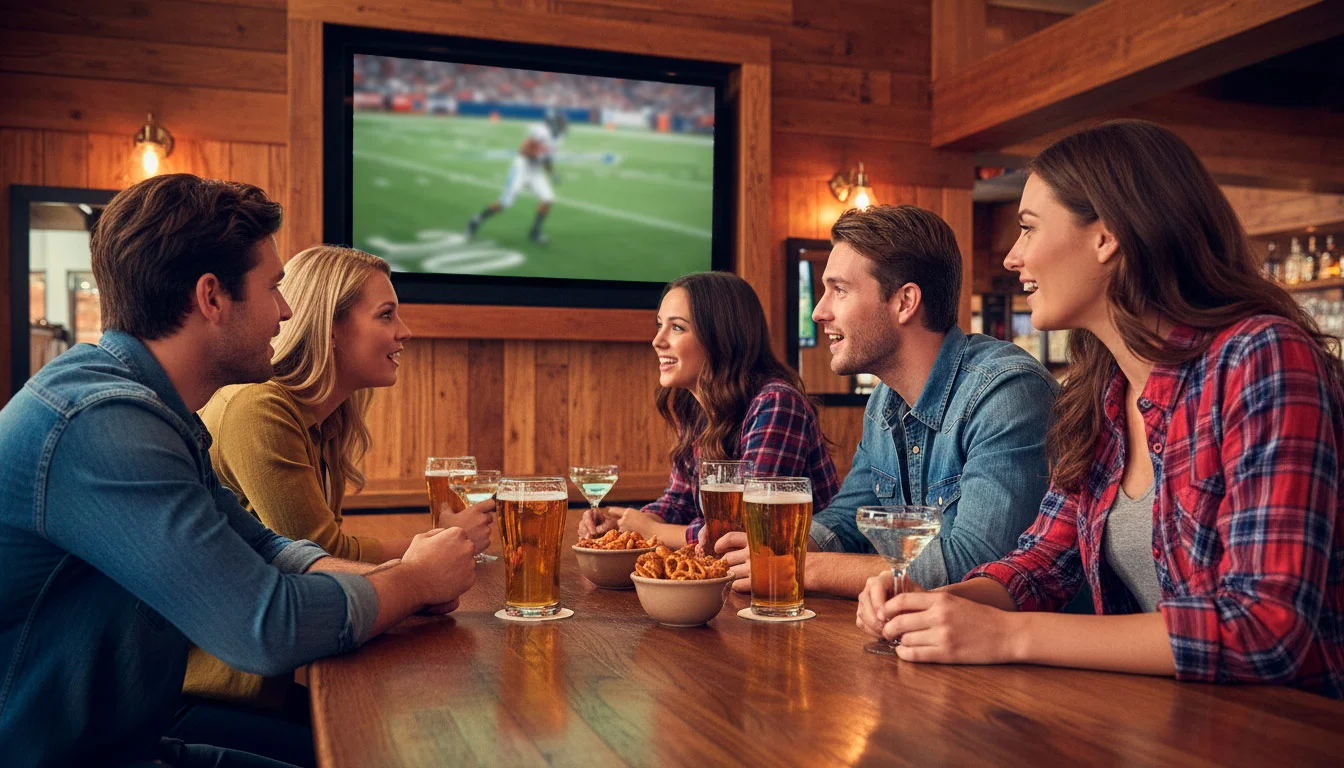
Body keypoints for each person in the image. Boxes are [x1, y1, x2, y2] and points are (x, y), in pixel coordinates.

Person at [0, 174, 478, 767]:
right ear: (212, 298)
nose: (284, 311)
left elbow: (266, 547)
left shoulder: (152, 412)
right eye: (274, 286)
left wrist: (407, 581)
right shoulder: (101, 425)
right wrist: (412, 583)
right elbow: (267, 627)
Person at [857, 120, 1344, 699]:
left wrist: (1008, 636)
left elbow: (1265, 628)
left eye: (1028, 229)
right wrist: (935, 604)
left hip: (1278, 734)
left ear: (1106, 236)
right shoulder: (1103, 389)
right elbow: (1042, 561)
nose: (1013, 257)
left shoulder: (1259, 358)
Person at [175, 246, 496, 760]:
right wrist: (423, 563)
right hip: (199, 699)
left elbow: (313, 554)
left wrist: (423, 566)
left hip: (255, 686)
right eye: (386, 315)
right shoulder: (259, 408)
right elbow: (319, 550)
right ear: (330, 326)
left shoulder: (321, 423)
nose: (404, 332)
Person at [714, 205, 1059, 597]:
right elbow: (848, 519)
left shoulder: (1005, 393)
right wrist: (774, 552)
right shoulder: (885, 401)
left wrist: (797, 565)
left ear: (904, 302)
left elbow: (976, 566)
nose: (819, 311)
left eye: (839, 290)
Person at [578, 271, 840, 545]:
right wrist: (624, 525)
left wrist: (651, 531)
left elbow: (749, 529)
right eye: (659, 325)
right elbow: (679, 502)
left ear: (721, 336)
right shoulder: (694, 405)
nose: (657, 340)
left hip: (793, 578)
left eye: (677, 327)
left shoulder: (775, 404)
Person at [466, 110, 567, 244]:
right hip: (522, 166)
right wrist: (539, 155)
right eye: (560, 123)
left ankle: (534, 232)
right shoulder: (541, 132)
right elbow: (524, 150)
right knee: (505, 202)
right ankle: (476, 220)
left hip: (535, 170)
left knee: (548, 199)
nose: (562, 126)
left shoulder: (558, 139)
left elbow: (547, 160)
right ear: (552, 123)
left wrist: (553, 173)